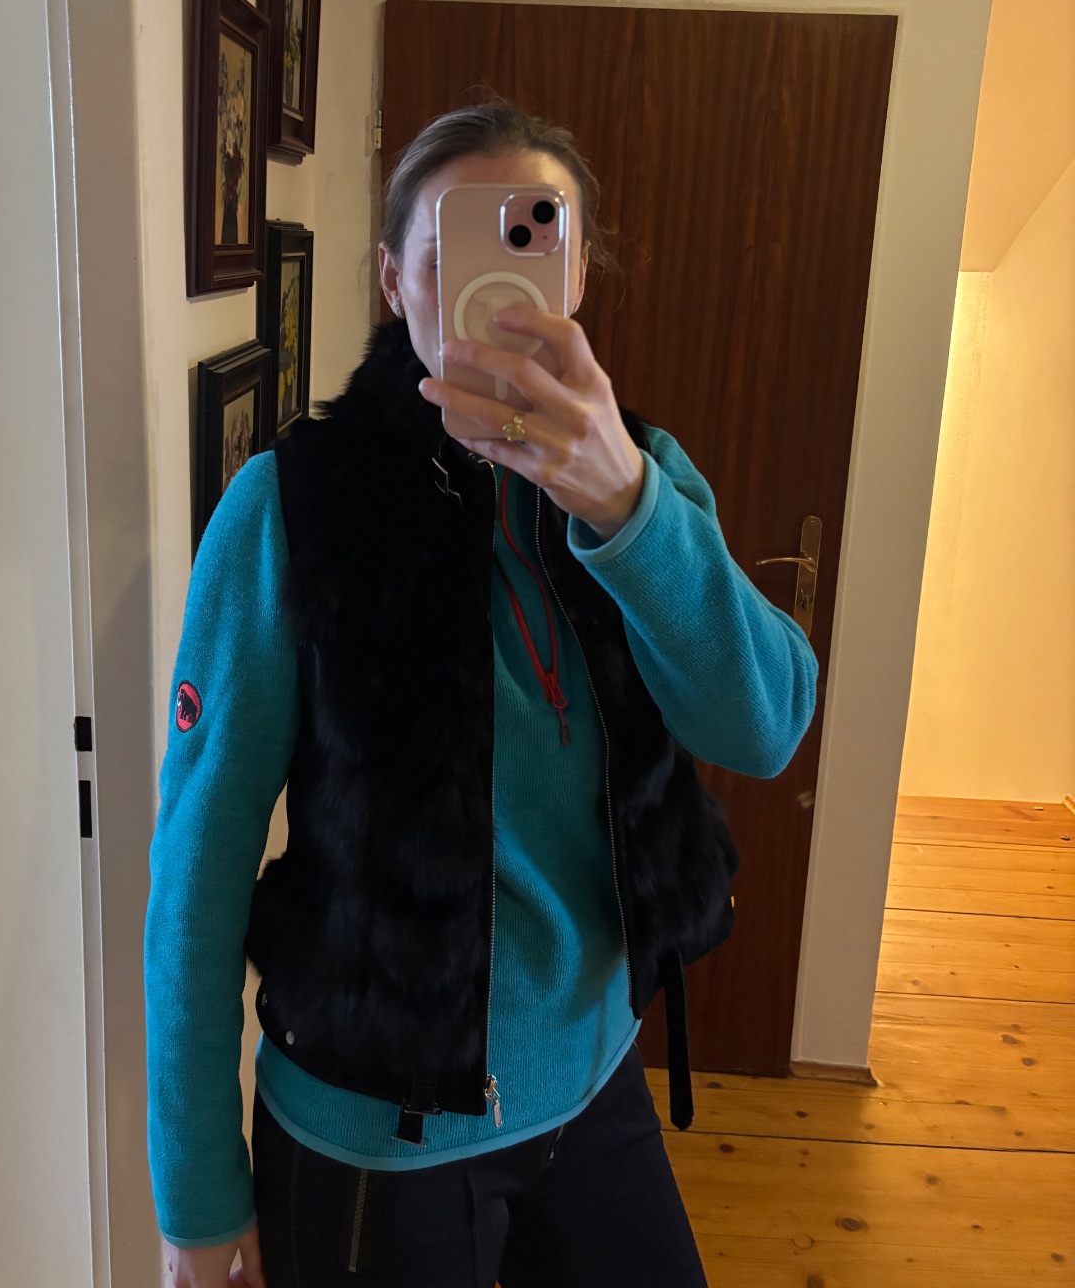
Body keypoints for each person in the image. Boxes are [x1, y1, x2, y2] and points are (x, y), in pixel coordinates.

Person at [146, 102, 819, 1288]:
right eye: (448, 253)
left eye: (532, 241)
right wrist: (196, 1193)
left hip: (595, 1084)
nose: (493, 290)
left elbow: (764, 729)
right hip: (372, 1132)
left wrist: (626, 508)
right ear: (393, 282)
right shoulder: (291, 508)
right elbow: (198, 867)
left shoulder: (646, 482)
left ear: (577, 275)